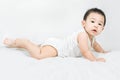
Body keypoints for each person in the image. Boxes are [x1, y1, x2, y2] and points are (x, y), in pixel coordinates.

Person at [3, 8, 108, 62]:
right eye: (92, 21)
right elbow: (85, 51)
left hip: (58, 42)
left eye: (100, 24)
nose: (96, 26)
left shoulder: (92, 38)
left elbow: (96, 46)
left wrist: (103, 51)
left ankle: (16, 44)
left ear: (102, 29)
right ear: (83, 24)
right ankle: (24, 42)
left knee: (37, 48)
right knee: (39, 55)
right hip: (58, 48)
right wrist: (95, 60)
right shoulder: (83, 35)